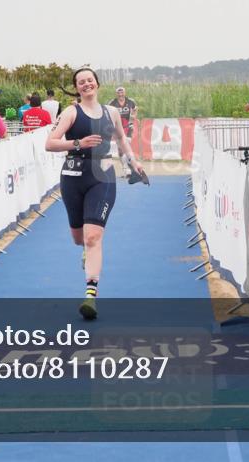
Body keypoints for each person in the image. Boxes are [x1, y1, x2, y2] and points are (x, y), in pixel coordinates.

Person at [46, 67, 147, 321]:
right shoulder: (71, 112)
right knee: (79, 239)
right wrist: (77, 143)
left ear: (97, 84)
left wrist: (134, 163)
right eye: (81, 82)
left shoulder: (111, 112)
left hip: (102, 176)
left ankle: (91, 294)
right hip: (72, 177)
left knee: (93, 237)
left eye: (90, 80)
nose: (86, 84)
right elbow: (50, 143)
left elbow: (122, 140)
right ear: (77, 87)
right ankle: (85, 251)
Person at [108, 86, 138, 175]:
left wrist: (132, 119)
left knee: (126, 144)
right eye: (119, 93)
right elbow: (107, 112)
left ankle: (128, 168)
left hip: (128, 127)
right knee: (121, 149)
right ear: (116, 94)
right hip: (117, 128)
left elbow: (135, 109)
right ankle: (125, 167)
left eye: (122, 92)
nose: (120, 94)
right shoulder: (112, 102)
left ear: (125, 93)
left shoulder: (130, 101)